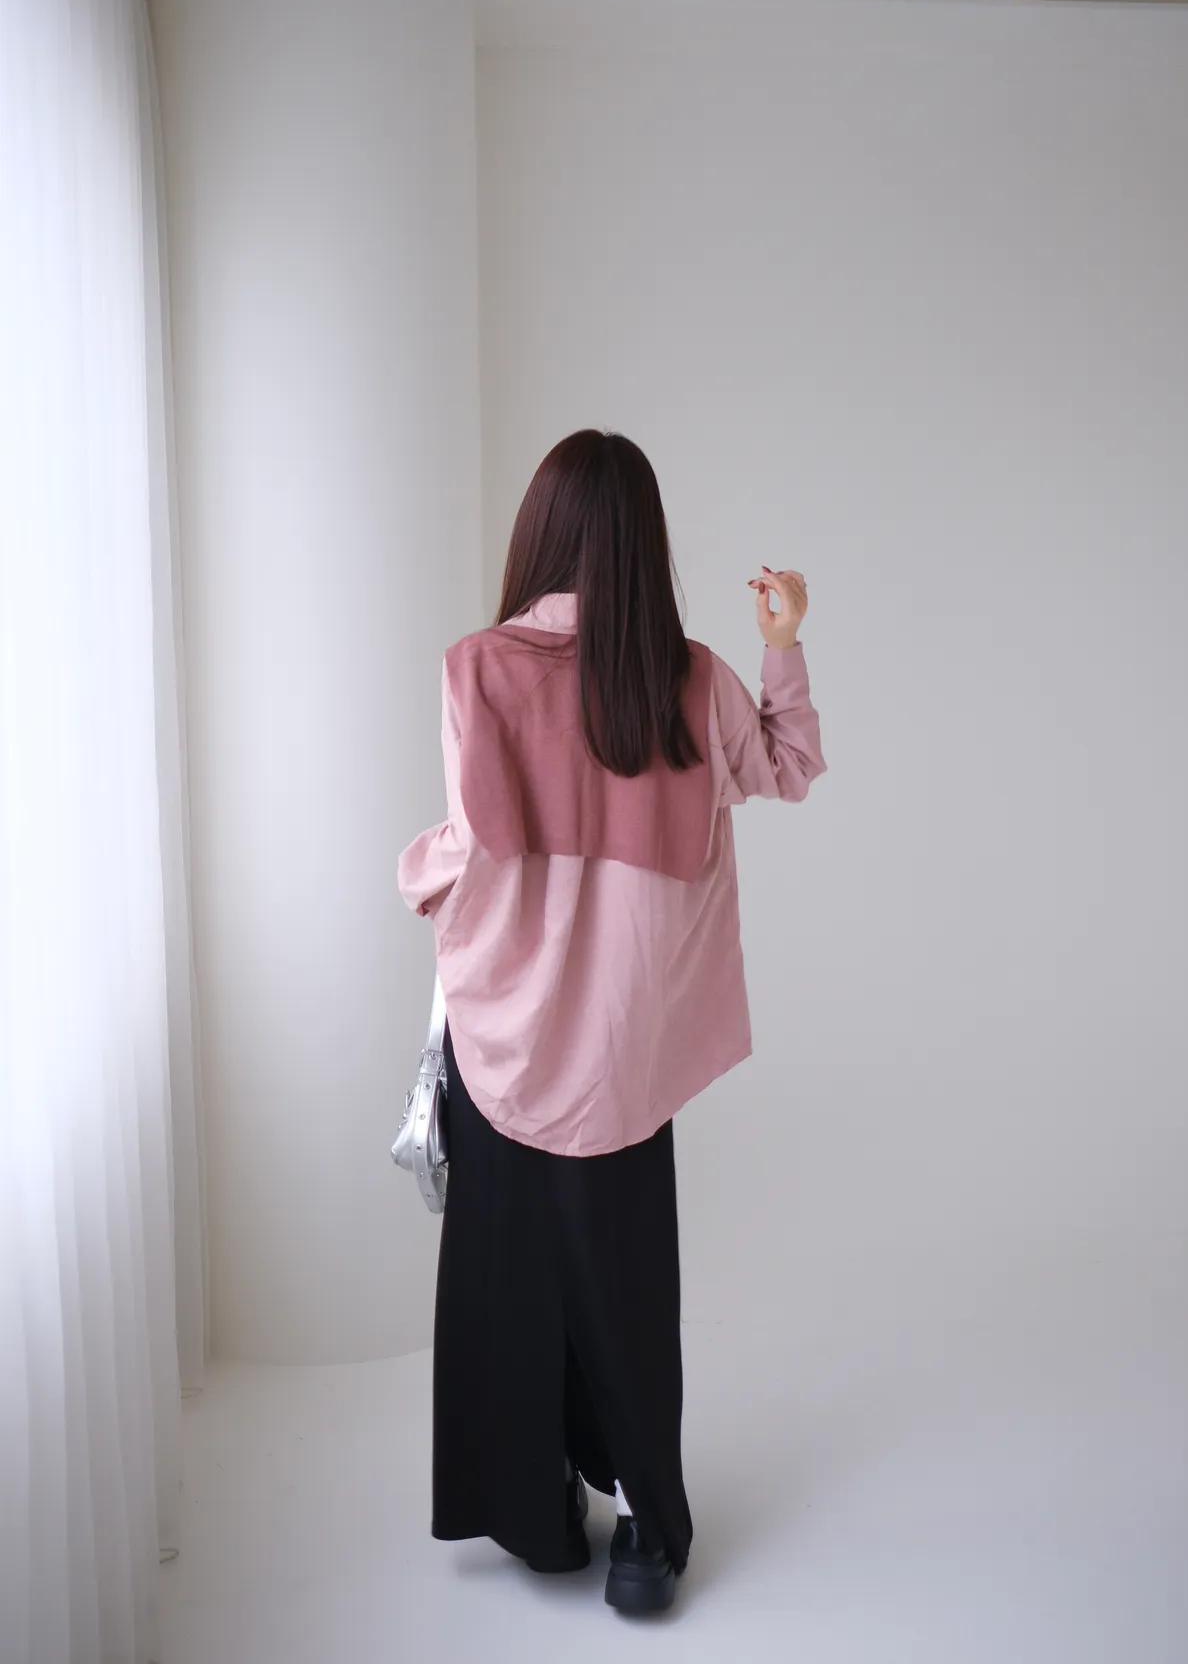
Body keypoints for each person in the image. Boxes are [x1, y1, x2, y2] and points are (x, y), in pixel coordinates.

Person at [397, 428, 826, 1614]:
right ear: (644, 543)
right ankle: (644, 1532)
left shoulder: (476, 671)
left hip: (503, 1041)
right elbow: (788, 766)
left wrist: (415, 868)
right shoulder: (691, 679)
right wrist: (782, 643)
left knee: (507, 1284)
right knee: (626, 1289)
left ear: (539, 533)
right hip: (624, 1060)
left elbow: (468, 854)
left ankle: (537, 1519)